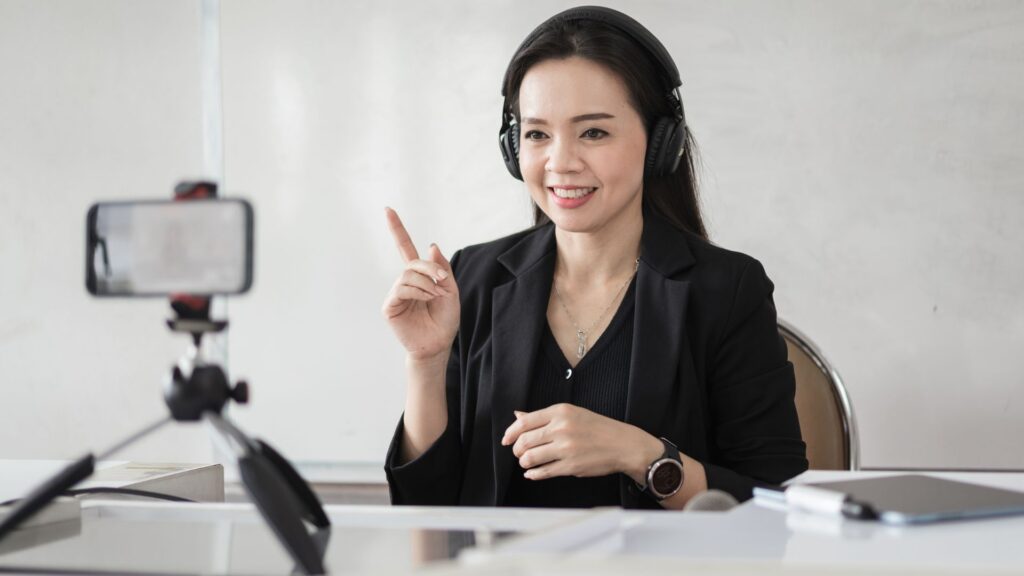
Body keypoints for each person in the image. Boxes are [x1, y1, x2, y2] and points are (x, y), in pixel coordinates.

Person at [381, 6, 807, 510]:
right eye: (537, 134)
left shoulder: (726, 289)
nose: (560, 162)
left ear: (659, 144)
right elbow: (425, 505)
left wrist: (642, 454)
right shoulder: (473, 276)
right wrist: (425, 364)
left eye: (594, 132)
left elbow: (777, 501)